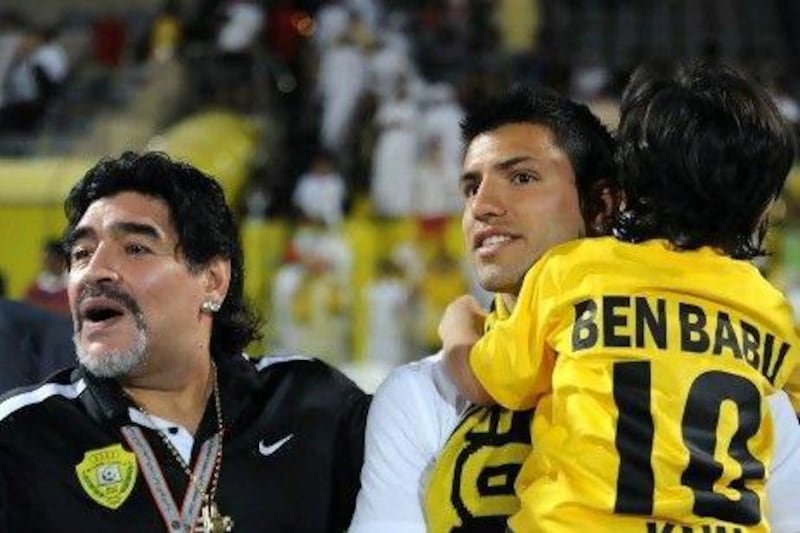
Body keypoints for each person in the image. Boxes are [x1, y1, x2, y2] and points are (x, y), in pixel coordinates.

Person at [349, 85, 800, 532]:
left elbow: (488, 378)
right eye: (470, 187)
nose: (482, 206)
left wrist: (459, 332)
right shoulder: (764, 336)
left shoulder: (569, 274)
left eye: (522, 177)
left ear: (607, 202)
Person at [0, 151, 369, 532]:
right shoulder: (20, 437)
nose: (95, 271)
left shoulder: (314, 404)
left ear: (212, 280)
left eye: (135, 248)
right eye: (81, 253)